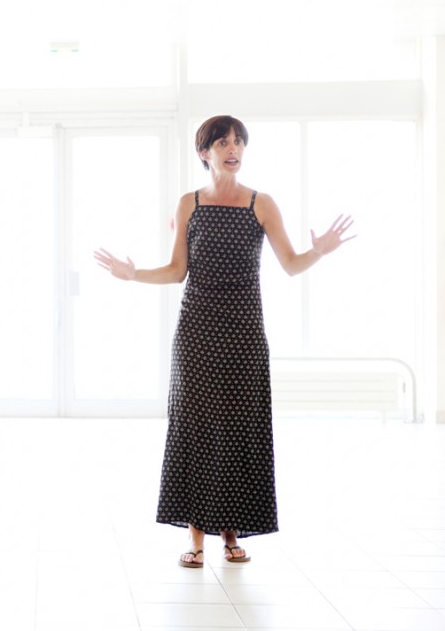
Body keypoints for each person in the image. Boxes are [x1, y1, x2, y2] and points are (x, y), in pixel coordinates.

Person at [94, 115, 354, 568]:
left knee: (237, 431)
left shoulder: (262, 203)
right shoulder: (188, 204)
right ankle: (195, 540)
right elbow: (177, 271)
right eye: (222, 142)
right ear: (204, 152)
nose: (232, 149)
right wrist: (133, 274)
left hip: (243, 334)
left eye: (238, 142)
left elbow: (291, 264)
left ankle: (231, 535)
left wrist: (320, 251)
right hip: (196, 333)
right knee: (195, 429)